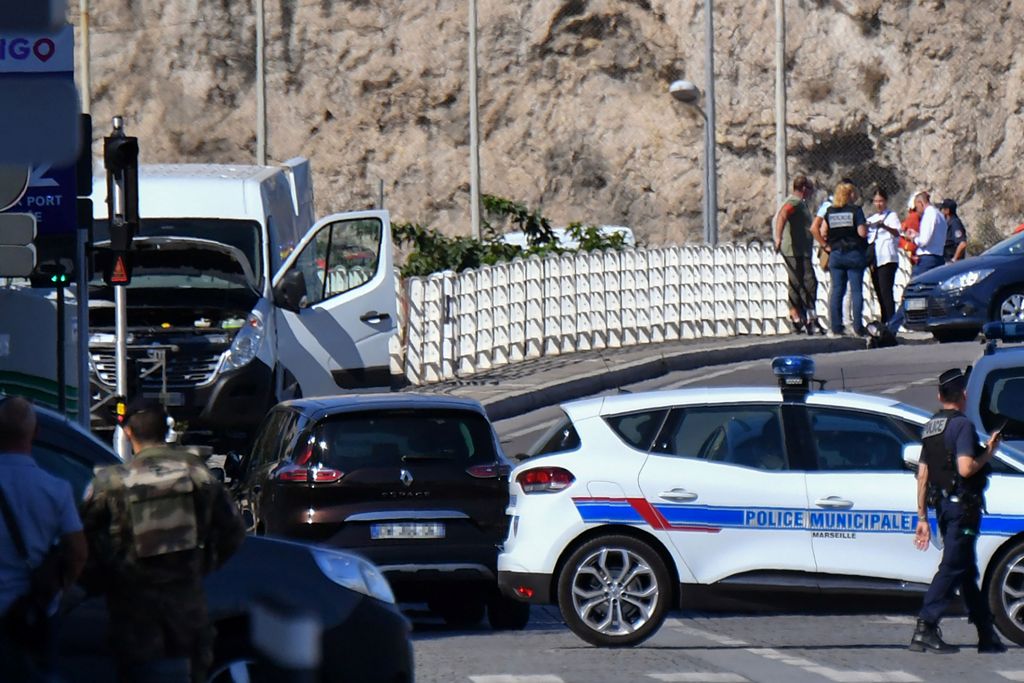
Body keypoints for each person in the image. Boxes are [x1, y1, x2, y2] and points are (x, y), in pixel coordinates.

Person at [80, 400, 246, 683]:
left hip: (133, 614)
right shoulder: (197, 475)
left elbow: (82, 539)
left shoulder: (112, 482)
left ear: (129, 434)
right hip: (186, 610)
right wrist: (202, 564)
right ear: (164, 430)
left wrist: (102, 577)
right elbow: (234, 530)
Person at [910, 369, 1007, 654]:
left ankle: (986, 634)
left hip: (942, 507)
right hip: (963, 508)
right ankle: (925, 627)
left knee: (965, 570)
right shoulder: (962, 426)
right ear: (963, 397)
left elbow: (923, 475)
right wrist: (989, 452)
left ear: (940, 396)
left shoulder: (931, 426)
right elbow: (966, 468)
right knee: (953, 566)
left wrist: (921, 518)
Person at [0, 396, 88, 681]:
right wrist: (61, 590)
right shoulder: (56, 489)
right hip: (35, 614)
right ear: (35, 434)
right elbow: (77, 551)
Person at [773, 174, 823, 334]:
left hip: (801, 250)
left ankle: (800, 316)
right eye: (809, 189)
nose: (810, 193)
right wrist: (778, 237)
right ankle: (806, 316)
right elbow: (782, 215)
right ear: (803, 188)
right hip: (795, 251)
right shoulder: (793, 203)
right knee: (807, 282)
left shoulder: (800, 204)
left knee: (799, 282)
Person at [820, 181, 868, 336]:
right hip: (854, 253)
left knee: (836, 290)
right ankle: (858, 326)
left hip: (836, 254)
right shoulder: (856, 211)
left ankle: (836, 326)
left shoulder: (830, 211)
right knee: (856, 291)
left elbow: (822, 232)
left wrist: (826, 246)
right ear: (849, 195)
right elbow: (862, 233)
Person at [866, 187, 902, 324]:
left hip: (887, 258)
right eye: (876, 201)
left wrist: (884, 226)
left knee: (886, 290)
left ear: (885, 201)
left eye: (881, 201)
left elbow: (897, 233)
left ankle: (891, 321)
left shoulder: (891, 216)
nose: (878, 204)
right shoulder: (872, 219)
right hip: (875, 259)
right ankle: (884, 319)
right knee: (878, 291)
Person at [941, 199, 968, 263]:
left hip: (952, 262)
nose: (941, 211)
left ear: (947, 211)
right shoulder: (948, 223)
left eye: (942, 209)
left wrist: (954, 260)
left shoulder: (954, 223)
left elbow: (962, 244)